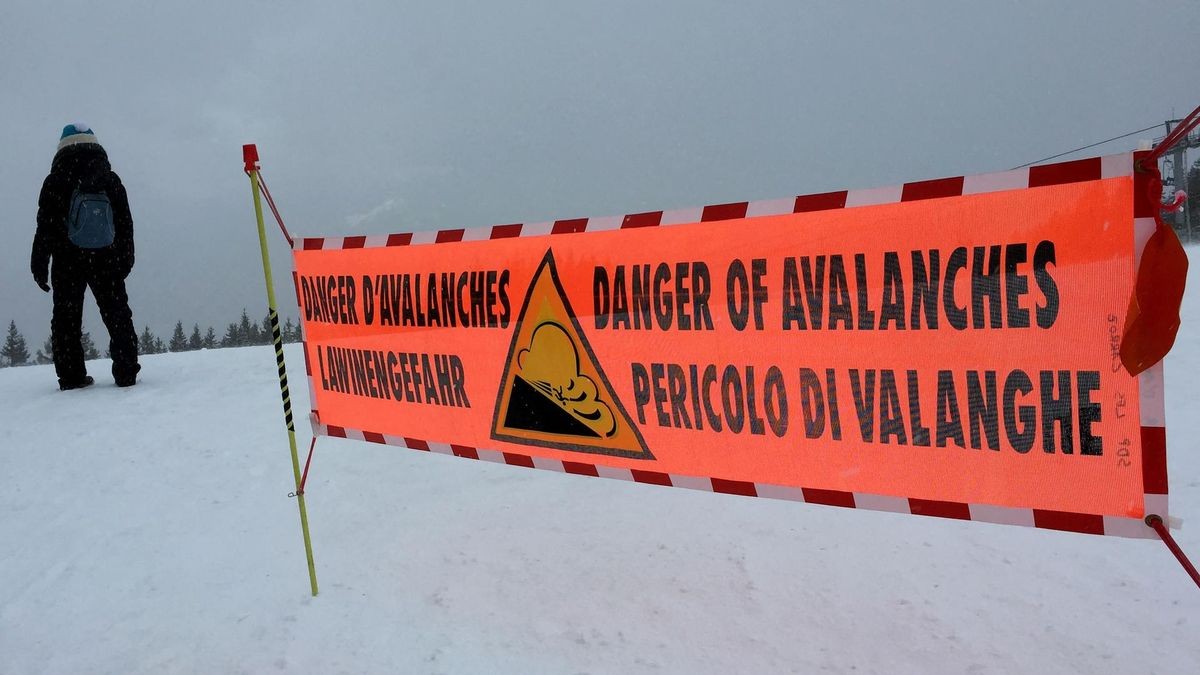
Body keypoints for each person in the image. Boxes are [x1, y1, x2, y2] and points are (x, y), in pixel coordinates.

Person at [31, 124, 140, 390]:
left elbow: (45, 227)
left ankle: (71, 377)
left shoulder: (55, 180)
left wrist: (39, 264)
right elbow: (124, 223)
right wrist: (126, 258)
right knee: (117, 313)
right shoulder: (109, 178)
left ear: (62, 147)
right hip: (106, 256)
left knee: (66, 318)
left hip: (67, 258)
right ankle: (126, 372)